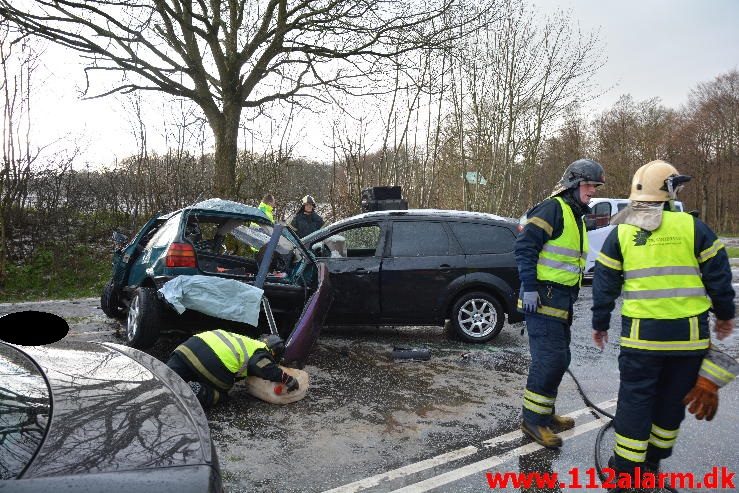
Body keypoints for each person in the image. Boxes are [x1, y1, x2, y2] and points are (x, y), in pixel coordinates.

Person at [591, 160, 735, 475]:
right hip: (688, 340)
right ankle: (653, 460)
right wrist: (725, 315)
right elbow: (720, 278)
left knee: (635, 400)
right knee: (672, 402)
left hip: (641, 340)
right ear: (669, 191)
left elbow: (604, 283)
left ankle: (627, 469)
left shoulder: (621, 233)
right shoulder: (694, 228)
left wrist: (600, 323)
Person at [516, 158, 606, 448]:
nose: (593, 191)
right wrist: (529, 288)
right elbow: (525, 247)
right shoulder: (553, 208)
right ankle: (532, 421)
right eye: (590, 185)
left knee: (559, 359)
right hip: (541, 301)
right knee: (549, 360)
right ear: (574, 183)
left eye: (595, 186)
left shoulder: (573, 213)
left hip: (560, 302)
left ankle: (545, 414)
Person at [166, 331, 299, 407]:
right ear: (273, 353)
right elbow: (260, 365)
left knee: (167, 378)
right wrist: (288, 379)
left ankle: (158, 384)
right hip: (213, 361)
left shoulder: (247, 341)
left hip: (187, 348)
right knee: (222, 396)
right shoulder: (261, 351)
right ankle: (198, 392)